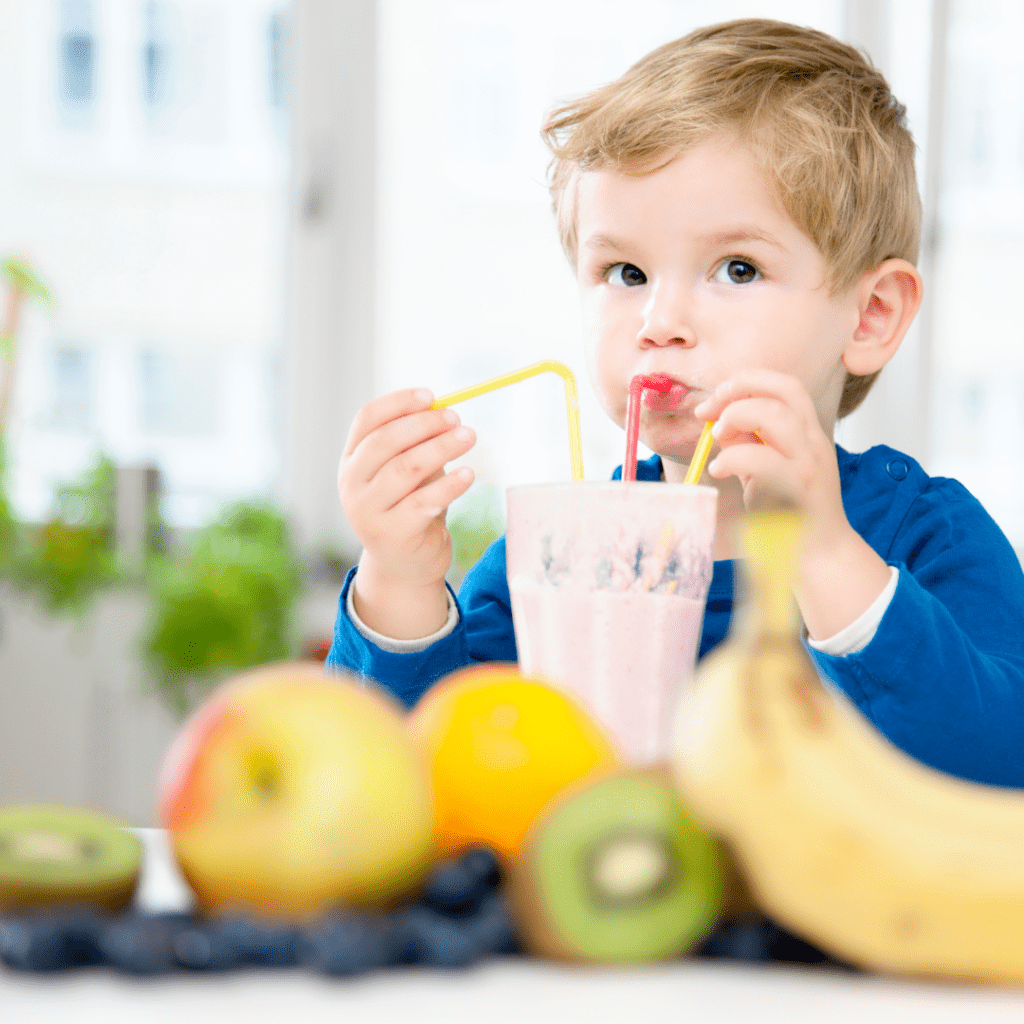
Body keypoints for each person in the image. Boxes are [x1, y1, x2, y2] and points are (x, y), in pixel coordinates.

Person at [327, 19, 1024, 788]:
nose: (658, 324)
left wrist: (824, 555)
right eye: (625, 274)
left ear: (871, 317)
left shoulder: (929, 538)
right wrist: (399, 581)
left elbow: (996, 770)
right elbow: (398, 792)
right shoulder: (550, 563)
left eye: (736, 268)